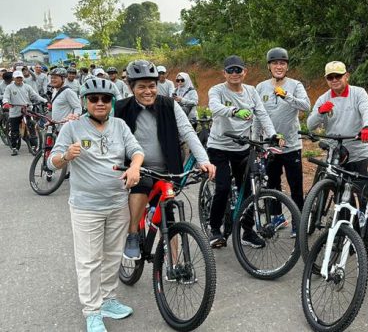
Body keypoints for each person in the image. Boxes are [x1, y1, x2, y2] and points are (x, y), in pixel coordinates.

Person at [48, 77, 144, 332]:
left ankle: (109, 300)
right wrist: (66, 156)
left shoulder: (120, 125)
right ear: (85, 102)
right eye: (94, 99)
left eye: (105, 99)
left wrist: (135, 166)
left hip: (117, 203)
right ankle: (92, 311)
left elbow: (136, 150)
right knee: (89, 261)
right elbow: (51, 160)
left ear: (111, 102)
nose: (100, 103)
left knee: (112, 256)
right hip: (86, 207)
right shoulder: (72, 129)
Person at [114, 60, 216, 260]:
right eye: (141, 87)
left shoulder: (169, 105)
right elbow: (97, 123)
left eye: (151, 86)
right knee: (141, 189)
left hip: (167, 170)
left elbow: (187, 131)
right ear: (130, 87)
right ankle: (133, 234)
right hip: (137, 169)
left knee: (168, 217)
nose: (148, 91)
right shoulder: (120, 107)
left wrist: (204, 160)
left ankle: (175, 264)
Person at [206, 55, 281, 248]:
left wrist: (272, 134)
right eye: (230, 70)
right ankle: (215, 229)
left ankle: (248, 232)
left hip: (243, 146)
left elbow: (261, 113)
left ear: (244, 72)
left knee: (248, 189)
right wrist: (233, 111)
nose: (234, 74)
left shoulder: (251, 91)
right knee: (222, 188)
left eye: (238, 70)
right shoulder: (217, 90)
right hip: (220, 146)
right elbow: (214, 107)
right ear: (224, 73)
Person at [254, 47, 310, 224]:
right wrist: (256, 141)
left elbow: (306, 106)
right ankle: (277, 217)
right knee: (272, 185)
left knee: (295, 186)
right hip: (269, 146)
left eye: (282, 63)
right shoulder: (261, 87)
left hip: (291, 144)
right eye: (275, 63)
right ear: (269, 66)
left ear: (287, 67)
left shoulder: (295, 85)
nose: (279, 66)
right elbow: (257, 116)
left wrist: (287, 96)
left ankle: (298, 221)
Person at [307, 61, 368, 176]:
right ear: (326, 80)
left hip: (359, 154)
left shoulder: (359, 93)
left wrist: (367, 126)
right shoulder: (323, 99)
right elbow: (310, 125)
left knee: (363, 191)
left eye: (338, 76)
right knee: (334, 190)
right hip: (335, 155)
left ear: (346, 76)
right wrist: (320, 112)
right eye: (330, 77)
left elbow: (366, 112)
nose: (334, 80)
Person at [2, 70, 47, 155]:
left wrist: (44, 101)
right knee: (14, 131)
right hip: (15, 111)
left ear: (22, 78)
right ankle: (14, 147)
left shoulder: (27, 87)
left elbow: (35, 95)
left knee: (32, 127)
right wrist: (6, 103)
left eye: (20, 77)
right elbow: (6, 97)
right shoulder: (9, 87)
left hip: (27, 109)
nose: (19, 79)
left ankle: (34, 146)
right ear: (14, 78)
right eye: (17, 78)